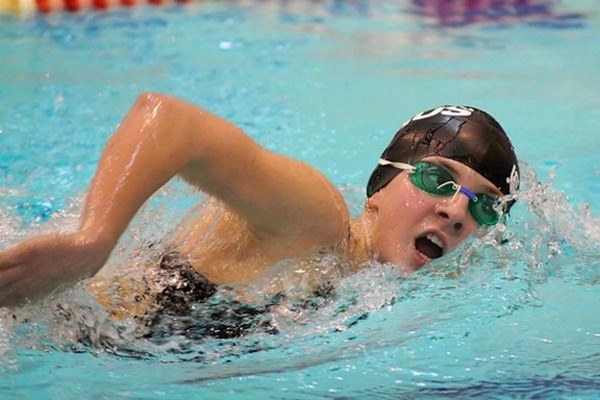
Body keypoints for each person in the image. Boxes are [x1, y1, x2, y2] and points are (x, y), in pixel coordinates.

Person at [0, 93, 520, 313]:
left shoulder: (370, 278)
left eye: (485, 207)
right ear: (379, 188)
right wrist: (93, 241)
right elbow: (168, 120)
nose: (456, 212)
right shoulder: (314, 220)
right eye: (436, 178)